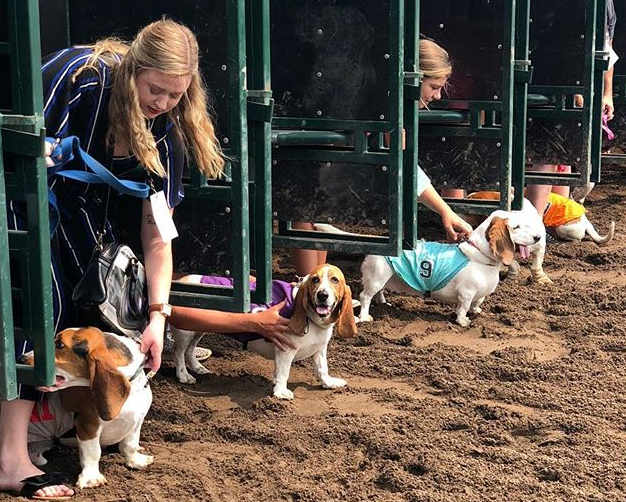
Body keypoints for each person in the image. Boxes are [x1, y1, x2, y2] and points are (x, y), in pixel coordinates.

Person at [0, 19, 290, 499]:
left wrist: (158, 316)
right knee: (41, 301)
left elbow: (157, 236)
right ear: (133, 69)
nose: (161, 103)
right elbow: (21, 144)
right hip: (18, 195)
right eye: (154, 89)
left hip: (78, 214)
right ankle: (11, 460)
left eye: (175, 95)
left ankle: (59, 426)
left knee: (104, 296)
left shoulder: (166, 133)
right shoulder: (81, 79)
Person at [289, 39, 472, 277]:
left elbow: (406, 169)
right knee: (306, 206)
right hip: (311, 163)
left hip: (329, 166)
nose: (437, 96)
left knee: (314, 209)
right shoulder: (370, 98)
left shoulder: (387, 103)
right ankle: (307, 286)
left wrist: (445, 211)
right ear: (414, 79)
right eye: (434, 86)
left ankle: (311, 284)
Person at [527, 0, 616, 216]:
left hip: (575, 81)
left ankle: (554, 216)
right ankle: (538, 220)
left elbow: (606, 47)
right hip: (542, 76)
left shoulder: (605, 5)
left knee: (559, 152)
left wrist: (606, 93)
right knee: (548, 151)